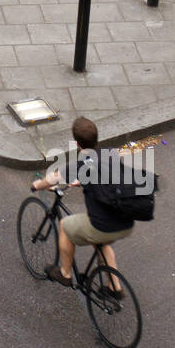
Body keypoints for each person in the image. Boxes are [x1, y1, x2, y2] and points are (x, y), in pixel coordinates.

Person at [32, 117, 134, 294]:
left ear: (78, 144)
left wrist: (36, 185)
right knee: (102, 245)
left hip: (104, 225)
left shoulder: (81, 164)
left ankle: (64, 273)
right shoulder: (110, 154)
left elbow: (54, 178)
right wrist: (82, 181)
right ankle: (115, 288)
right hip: (125, 221)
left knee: (65, 225)